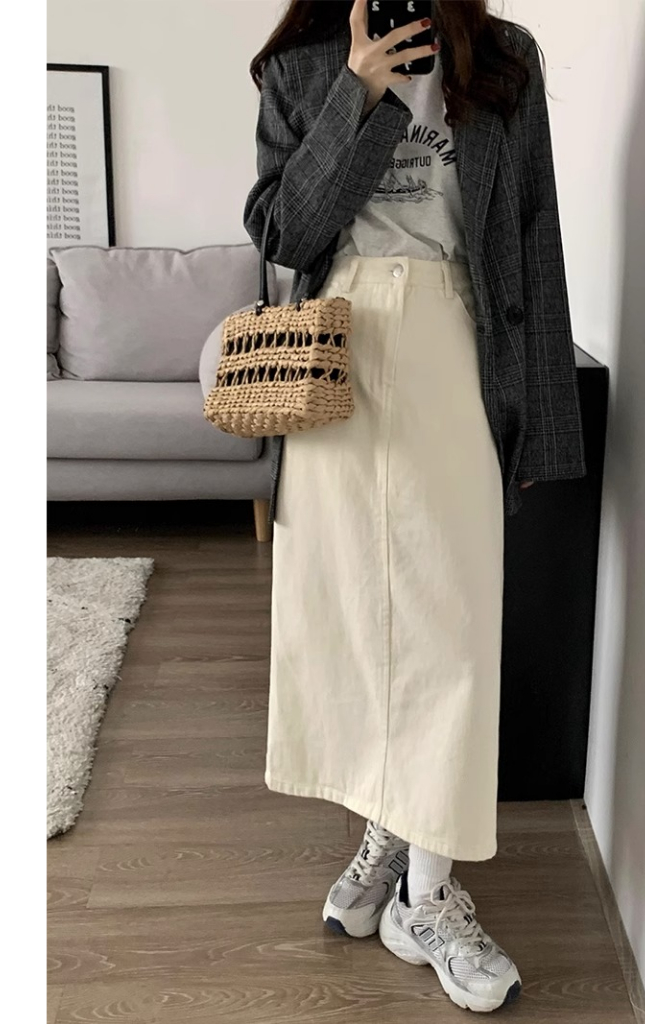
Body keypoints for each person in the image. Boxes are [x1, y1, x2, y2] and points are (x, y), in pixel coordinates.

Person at [243, 0, 585, 1012]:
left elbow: (533, 236)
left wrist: (540, 425)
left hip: (456, 346)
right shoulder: (302, 65)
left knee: (453, 629)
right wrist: (358, 95)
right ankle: (390, 833)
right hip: (335, 352)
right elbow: (284, 231)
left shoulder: (504, 60)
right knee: (354, 618)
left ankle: (424, 899)